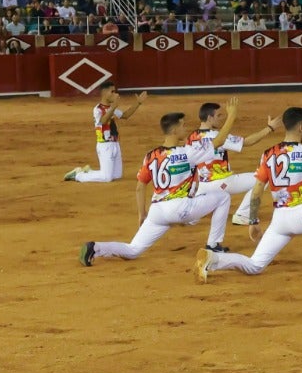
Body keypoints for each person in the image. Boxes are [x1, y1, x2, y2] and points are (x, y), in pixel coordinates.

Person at [194, 106, 302, 281]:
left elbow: (257, 191)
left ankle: (213, 259)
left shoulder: (268, 154)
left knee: (255, 265)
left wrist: (253, 221)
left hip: (280, 221)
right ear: (300, 127)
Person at [79, 103, 241, 267]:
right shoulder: (187, 152)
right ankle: (213, 246)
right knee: (223, 197)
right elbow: (219, 141)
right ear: (174, 130)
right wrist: (232, 115)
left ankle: (95, 247)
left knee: (133, 249)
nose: (186, 129)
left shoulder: (151, 155)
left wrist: (142, 214)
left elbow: (140, 186)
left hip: (157, 211)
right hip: (180, 208)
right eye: (183, 125)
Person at [187, 102, 282, 228]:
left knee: (190, 217)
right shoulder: (217, 136)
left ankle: (191, 215)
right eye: (218, 116)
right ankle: (242, 214)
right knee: (264, 177)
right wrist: (269, 128)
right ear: (209, 118)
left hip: (204, 186)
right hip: (223, 183)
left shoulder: (191, 137)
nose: (221, 119)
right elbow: (247, 142)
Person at [64, 85, 147, 183]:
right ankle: (78, 175)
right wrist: (113, 108)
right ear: (104, 93)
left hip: (115, 143)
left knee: (116, 175)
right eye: (112, 92)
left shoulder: (111, 108)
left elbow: (125, 115)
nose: (116, 94)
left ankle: (88, 171)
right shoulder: (98, 109)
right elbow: (103, 121)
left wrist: (138, 103)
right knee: (106, 178)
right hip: (104, 145)